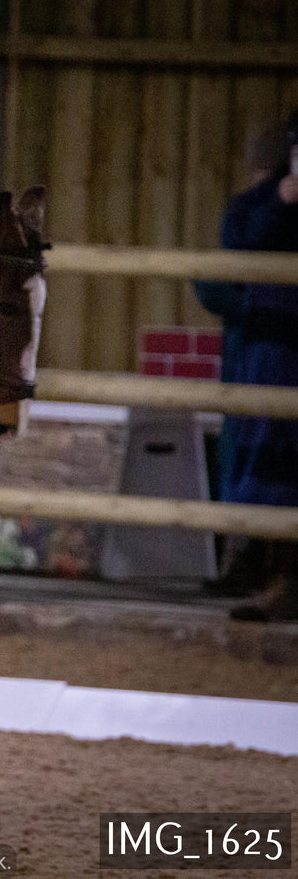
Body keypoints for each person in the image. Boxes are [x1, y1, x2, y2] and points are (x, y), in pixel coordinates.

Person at [196, 125, 289, 596]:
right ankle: (245, 557)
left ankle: (275, 570)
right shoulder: (252, 209)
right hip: (253, 352)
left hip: (275, 351)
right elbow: (220, 272)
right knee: (248, 451)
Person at [221, 109, 298, 622]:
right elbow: (236, 246)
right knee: (269, 455)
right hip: (274, 347)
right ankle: (274, 574)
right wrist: (280, 201)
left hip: (276, 344)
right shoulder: (258, 205)